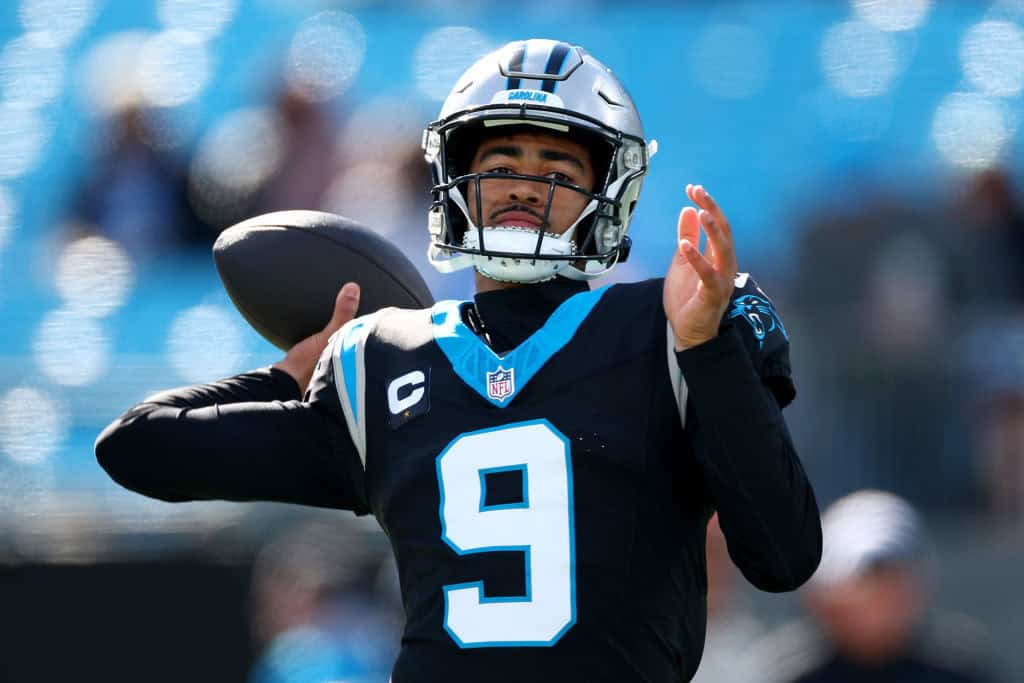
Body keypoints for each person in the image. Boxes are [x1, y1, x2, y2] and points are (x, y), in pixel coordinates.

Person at [96, 39, 821, 682]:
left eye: (558, 166)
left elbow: (783, 556)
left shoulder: (669, 325)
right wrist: (288, 373)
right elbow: (139, 447)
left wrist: (707, 348)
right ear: (452, 177)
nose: (523, 183)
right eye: (500, 159)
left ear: (609, 190)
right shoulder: (376, 361)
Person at [750, 490, 994, 683]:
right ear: (820, 596)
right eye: (860, 582)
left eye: (888, 579)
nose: (874, 600)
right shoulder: (787, 672)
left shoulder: (960, 669)